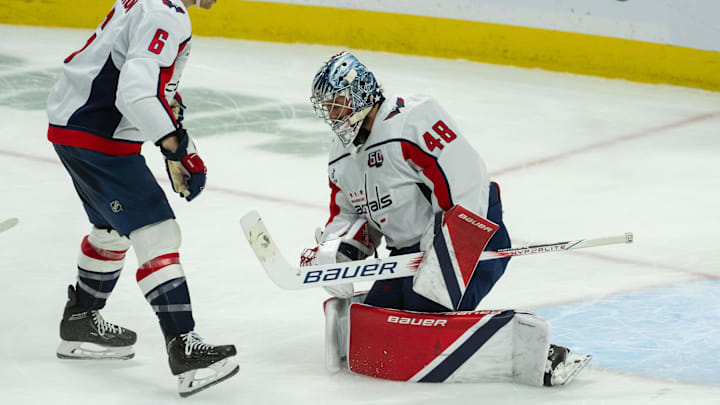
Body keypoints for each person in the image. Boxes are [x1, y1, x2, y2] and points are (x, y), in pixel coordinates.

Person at [304, 51, 589, 386]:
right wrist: (338, 250)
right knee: (378, 318)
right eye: (328, 108)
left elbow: (468, 185)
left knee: (425, 308)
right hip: (407, 253)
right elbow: (348, 214)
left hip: (471, 229)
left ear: (361, 93)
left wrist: (441, 251)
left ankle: (539, 354)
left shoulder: (412, 120)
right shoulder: (341, 155)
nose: (334, 115)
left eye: (338, 103)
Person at [46, 0, 237, 397]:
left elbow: (135, 79)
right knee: (158, 232)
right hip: (99, 137)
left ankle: (81, 320)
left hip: (74, 127)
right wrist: (176, 147)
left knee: (111, 230)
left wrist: (168, 125)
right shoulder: (167, 14)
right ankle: (185, 348)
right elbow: (134, 93)